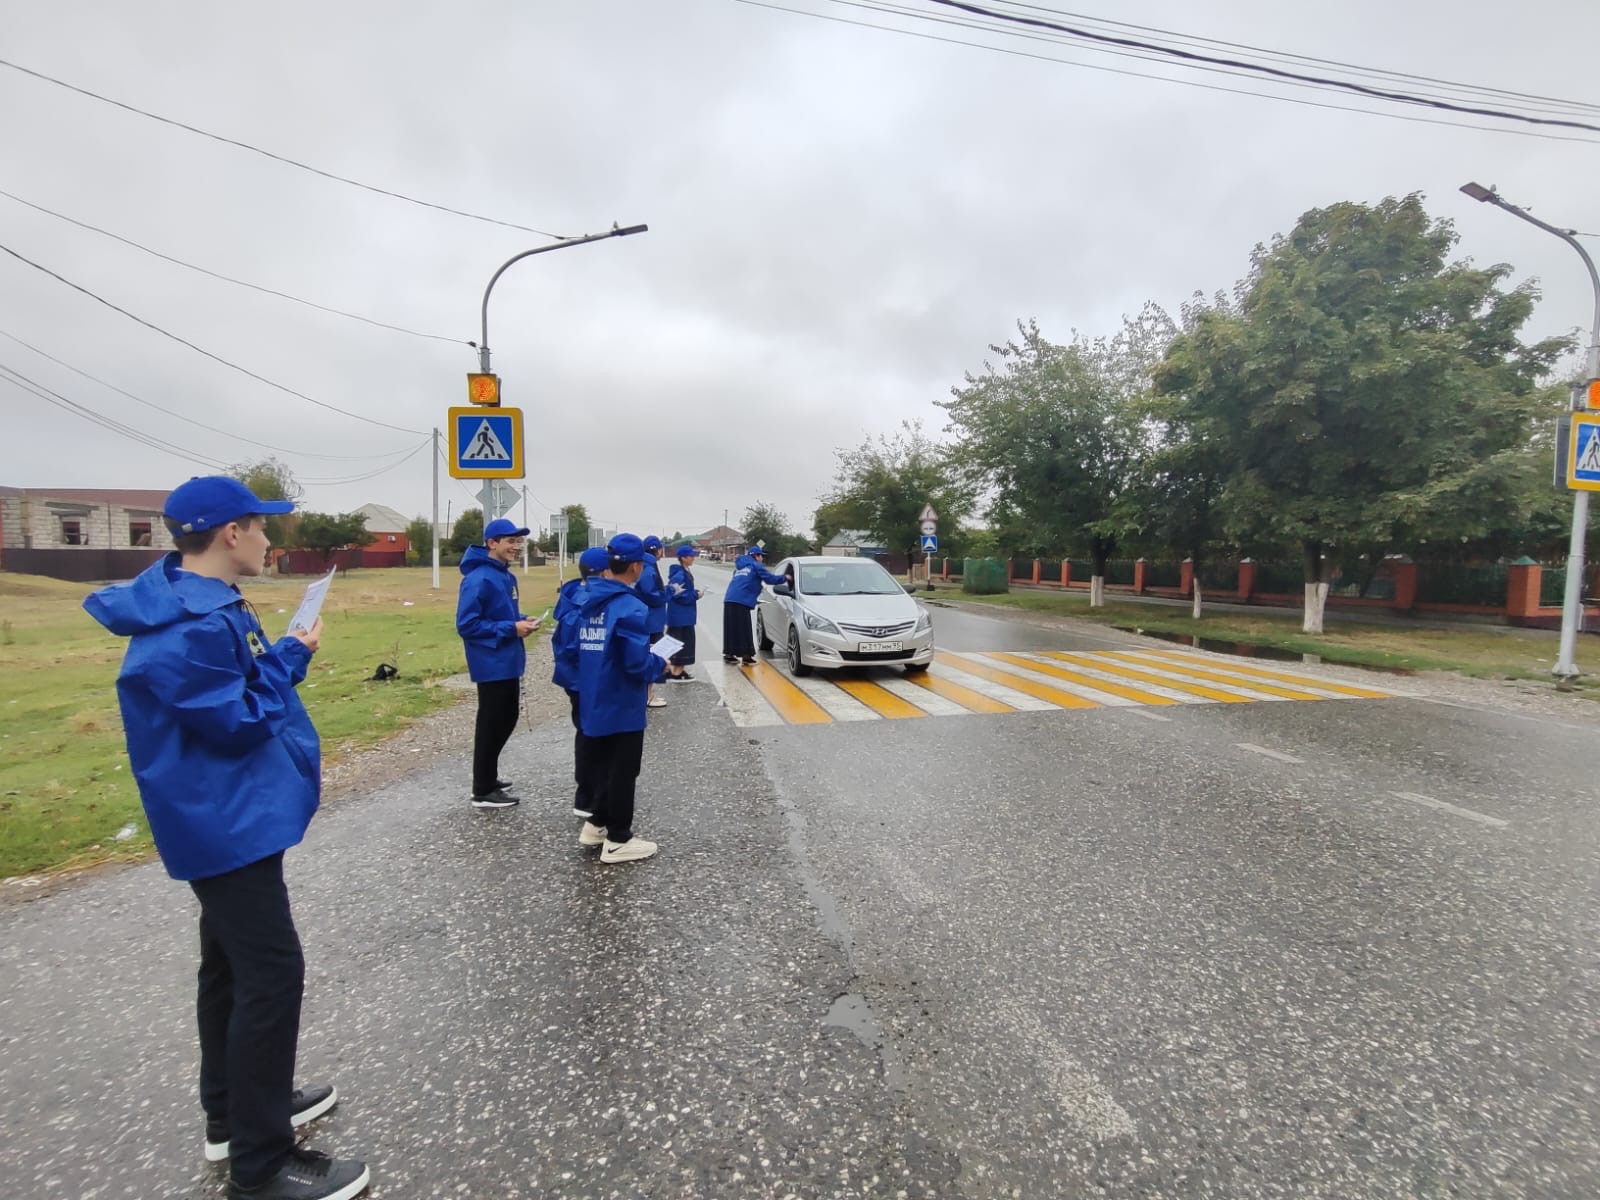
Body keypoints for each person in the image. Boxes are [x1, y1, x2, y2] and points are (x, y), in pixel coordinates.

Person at [82, 475, 369, 1200]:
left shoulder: (206, 602)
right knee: (271, 974)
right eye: (261, 526)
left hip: (229, 814)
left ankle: (235, 1116)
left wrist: (285, 655)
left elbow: (234, 697)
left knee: (231, 969)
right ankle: (261, 1165)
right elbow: (235, 720)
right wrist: (293, 657)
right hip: (221, 821)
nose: (269, 539)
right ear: (231, 532)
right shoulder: (188, 626)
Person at [563, 533, 667, 864]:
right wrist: (660, 662)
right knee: (624, 769)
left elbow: (577, 649)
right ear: (635, 567)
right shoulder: (629, 606)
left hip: (595, 693)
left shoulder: (589, 601)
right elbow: (636, 663)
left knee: (604, 765)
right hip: (621, 700)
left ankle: (596, 824)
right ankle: (619, 838)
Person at [456, 518, 540, 809]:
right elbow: (467, 625)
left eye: (518, 541)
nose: (516, 547)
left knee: (506, 719)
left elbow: (502, 613)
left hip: (507, 659)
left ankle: (488, 778)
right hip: (491, 662)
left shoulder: (505, 576)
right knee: (493, 723)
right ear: (492, 543)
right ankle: (483, 789)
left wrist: (523, 620)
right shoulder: (478, 578)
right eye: (510, 541)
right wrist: (511, 629)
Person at [551, 546, 611, 819]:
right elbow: (576, 647)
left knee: (589, 733)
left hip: (578, 678)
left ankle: (592, 791)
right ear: (604, 572)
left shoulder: (578, 595)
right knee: (591, 735)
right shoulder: (585, 604)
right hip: (584, 681)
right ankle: (587, 796)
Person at [722, 544, 786, 665]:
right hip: (740, 601)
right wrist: (786, 577)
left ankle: (729, 654)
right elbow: (770, 579)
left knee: (731, 628)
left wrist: (753, 593)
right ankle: (746, 656)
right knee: (744, 628)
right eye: (761, 556)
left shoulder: (740, 567)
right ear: (756, 556)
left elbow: (744, 583)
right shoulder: (755, 565)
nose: (762, 558)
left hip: (729, 599)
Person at [637, 535, 670, 709]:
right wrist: (666, 594)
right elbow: (650, 594)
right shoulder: (648, 568)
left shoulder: (645, 564)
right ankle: (648, 696)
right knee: (651, 656)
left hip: (650, 618)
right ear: (656, 549)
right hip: (650, 620)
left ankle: (647, 694)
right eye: (661, 549)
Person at [664, 544, 703, 681]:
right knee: (680, 643)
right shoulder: (679, 575)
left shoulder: (684, 572)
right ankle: (676, 673)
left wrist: (694, 592)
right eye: (690, 556)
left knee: (680, 643)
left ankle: (677, 670)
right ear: (683, 558)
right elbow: (678, 594)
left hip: (682, 616)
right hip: (680, 616)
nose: (693, 558)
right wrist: (696, 595)